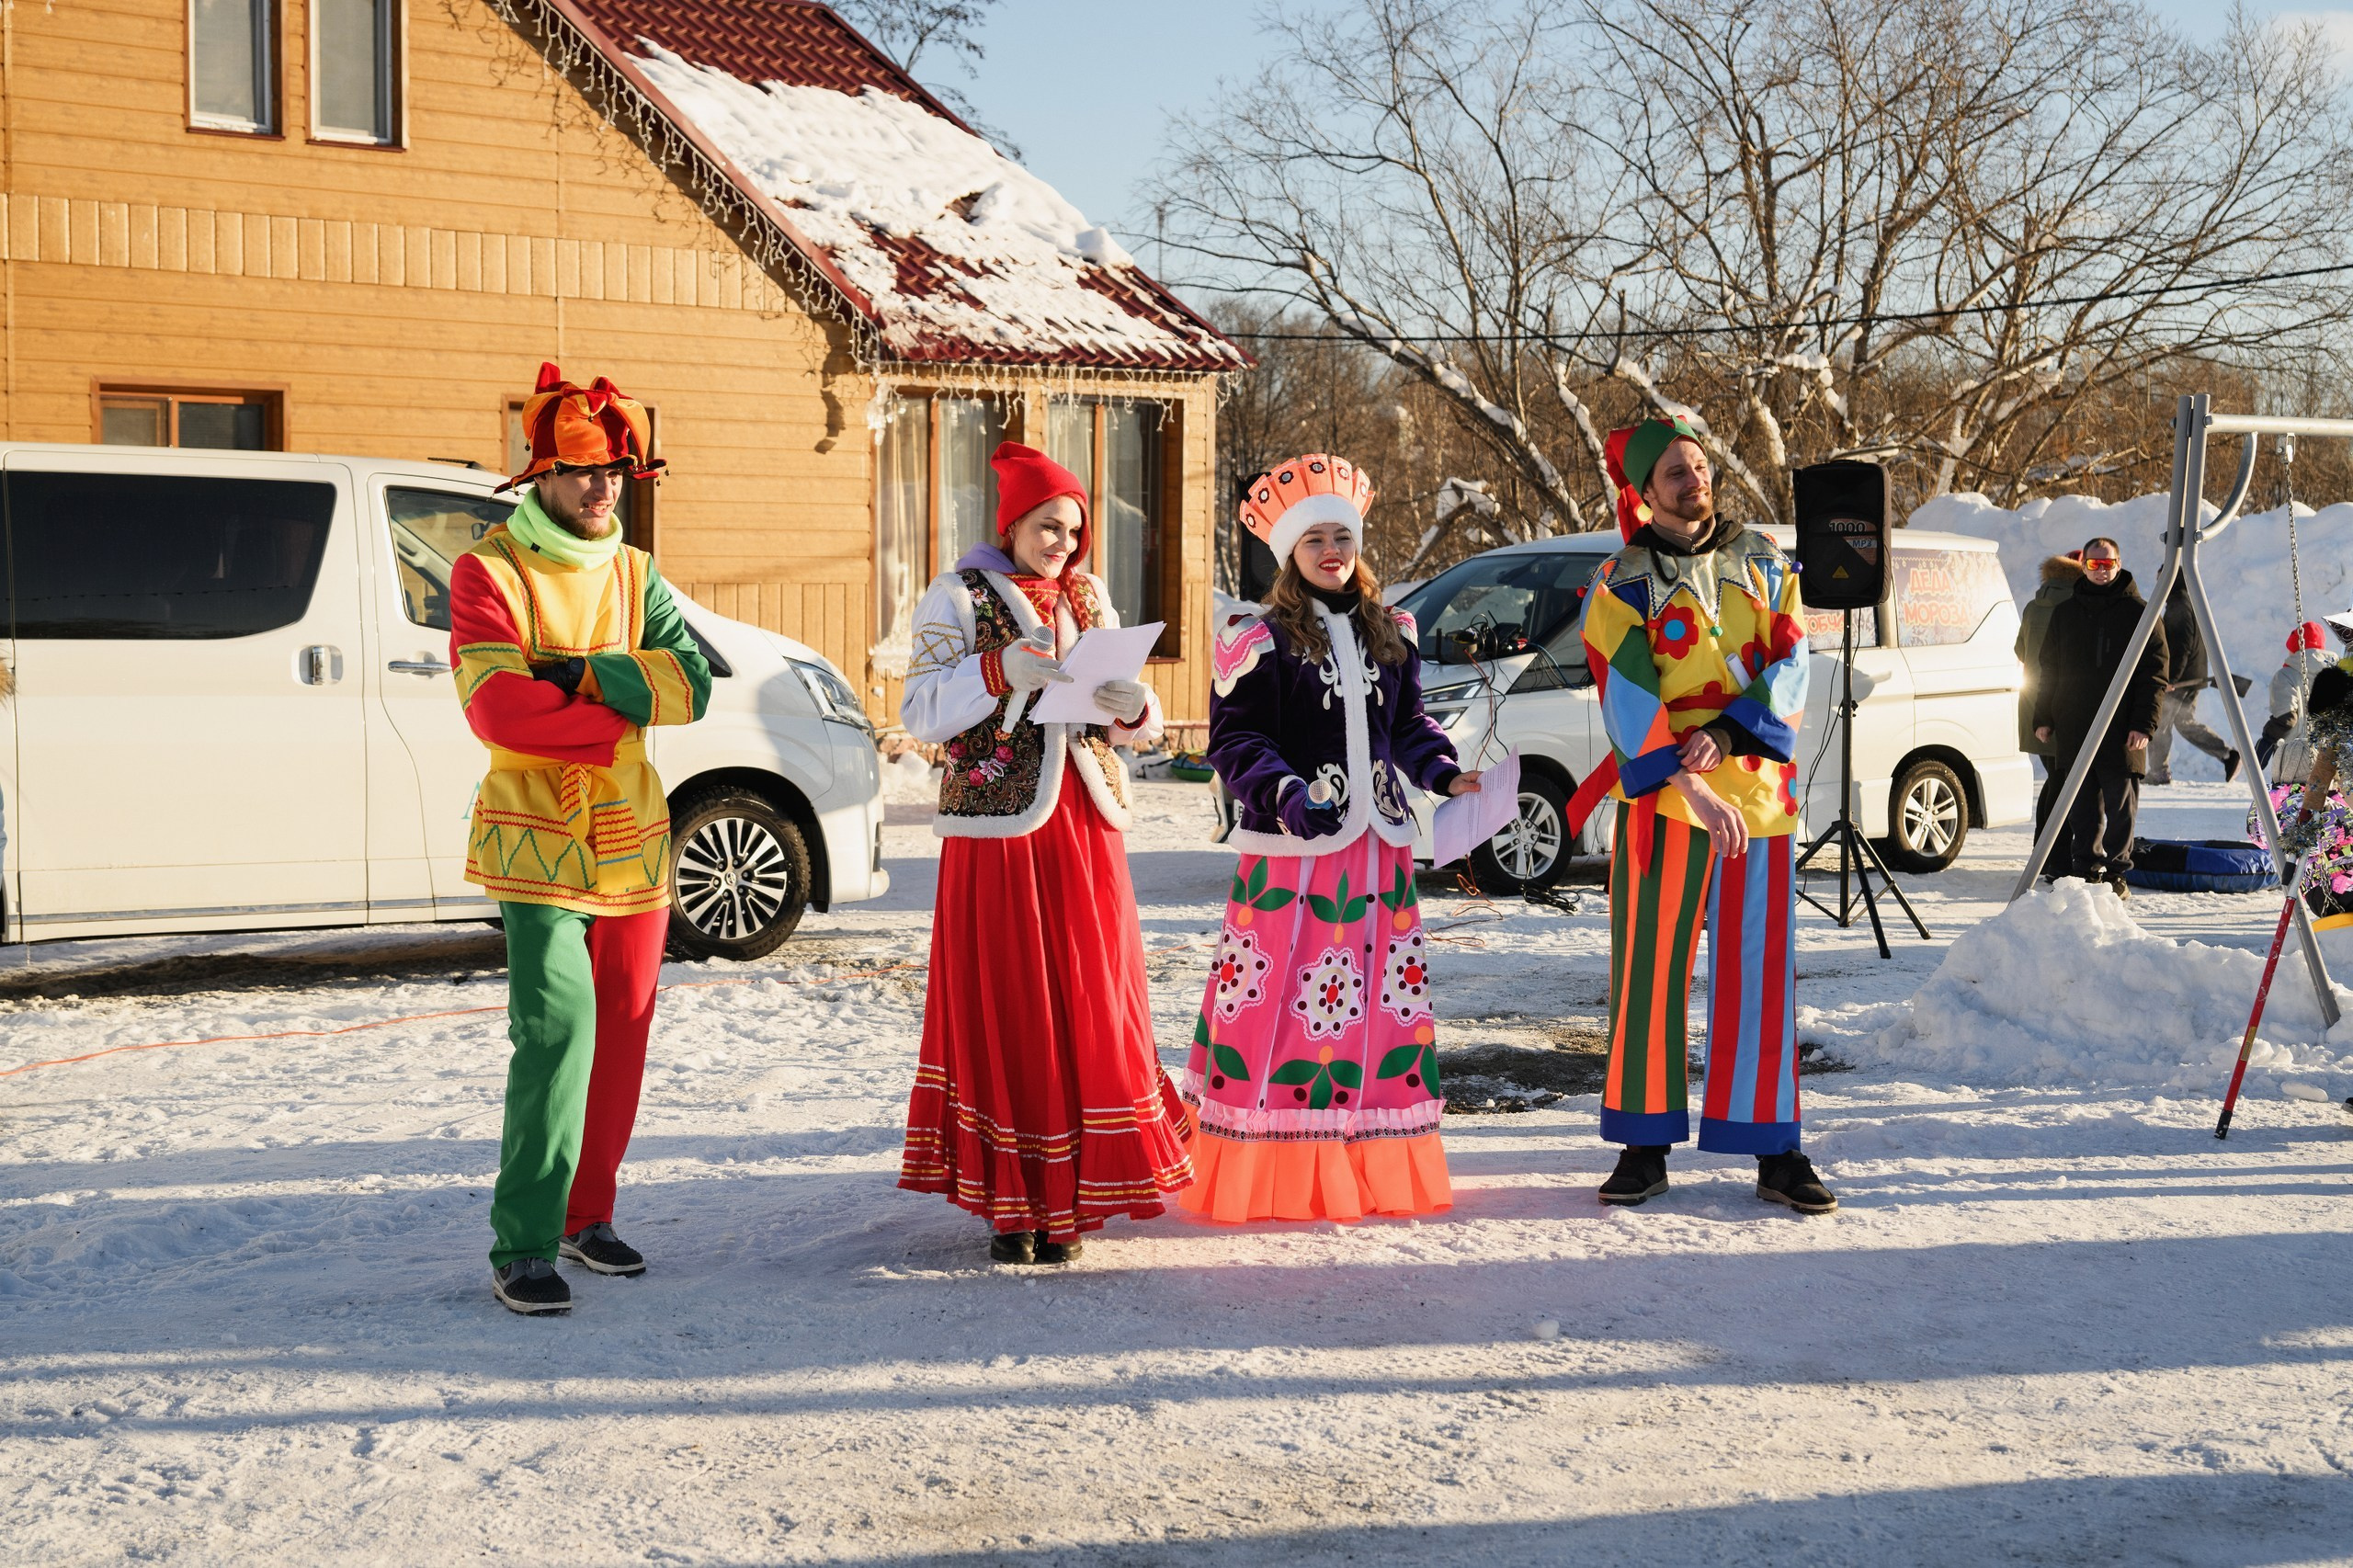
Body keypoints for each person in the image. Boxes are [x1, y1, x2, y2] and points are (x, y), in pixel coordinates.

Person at [457, 363, 713, 1314]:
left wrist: (570, 674)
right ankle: (522, 1236)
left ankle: (587, 1209)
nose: (602, 487)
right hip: (536, 837)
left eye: (615, 471)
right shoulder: (489, 568)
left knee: (626, 1032)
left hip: (633, 836)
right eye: (580, 471)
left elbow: (692, 686)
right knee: (556, 1032)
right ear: (540, 477)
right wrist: (614, 710)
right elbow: (494, 707)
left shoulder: (640, 572)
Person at [897, 442, 1190, 1265]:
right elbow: (921, 711)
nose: (1062, 542)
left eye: (1073, 528)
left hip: (1085, 825)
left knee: (1090, 1000)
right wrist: (998, 669)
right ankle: (1014, 1203)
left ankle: (1071, 1200)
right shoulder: (956, 594)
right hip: (998, 834)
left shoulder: (1089, 595)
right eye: (1047, 525)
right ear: (1013, 524)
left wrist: (1137, 710)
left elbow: (1123, 714)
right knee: (1012, 1003)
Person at [1181, 453, 1478, 1223]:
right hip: (1293, 854)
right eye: (1313, 539)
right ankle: (1271, 1169)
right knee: (1282, 1006)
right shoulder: (1257, 636)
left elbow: (1407, 728)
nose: (1330, 552)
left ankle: (1361, 1159)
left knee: (1375, 1013)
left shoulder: (1394, 630)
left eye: (1340, 537)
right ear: (1289, 553)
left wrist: (1446, 775)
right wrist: (1282, 792)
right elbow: (1235, 740)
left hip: (1375, 853)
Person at [1574, 416, 1830, 1214]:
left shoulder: (1765, 559)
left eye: (1700, 466)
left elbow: (1792, 662)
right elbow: (1626, 694)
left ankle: (1774, 1148)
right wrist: (1689, 782)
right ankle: (1644, 1144)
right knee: (1649, 972)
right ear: (1645, 492)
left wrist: (1726, 735)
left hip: (1761, 804)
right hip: (1666, 805)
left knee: (1760, 977)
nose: (1695, 480)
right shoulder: (1620, 580)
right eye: (1676, 473)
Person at [2032, 536, 2164, 896]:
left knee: (2121, 806)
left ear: (2118, 564)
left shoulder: (2140, 613)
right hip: (2076, 726)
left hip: (2123, 729)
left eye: (2108, 564)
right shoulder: (2065, 613)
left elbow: (2154, 673)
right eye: (2094, 564)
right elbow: (2049, 670)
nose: (2101, 571)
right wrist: (2043, 716)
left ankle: (2118, 873)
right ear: (2084, 566)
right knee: (2081, 806)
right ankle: (2086, 870)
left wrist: (2143, 724)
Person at [2146, 577, 2240, 785]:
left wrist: (2170, 679)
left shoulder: (2178, 602)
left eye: (2161, 577)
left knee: (2160, 723)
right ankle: (2227, 754)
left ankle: (2159, 772)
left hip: (2180, 679)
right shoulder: (2190, 600)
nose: (2157, 581)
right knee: (2184, 722)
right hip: (2193, 676)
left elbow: (2181, 646)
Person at [2016, 551, 2082, 835]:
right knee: (2063, 781)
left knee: (2056, 777)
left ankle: (2041, 851)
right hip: (2061, 703)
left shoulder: (2034, 606)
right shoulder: (2077, 605)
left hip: (2032, 701)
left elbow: (2019, 650)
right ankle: (2050, 853)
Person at [2262, 621, 2328, 777]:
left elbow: (2287, 717)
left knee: (2290, 800)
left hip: (2294, 759)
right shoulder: (2338, 672)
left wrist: (2267, 739)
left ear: (2293, 648)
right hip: (2329, 759)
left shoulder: (2285, 676)